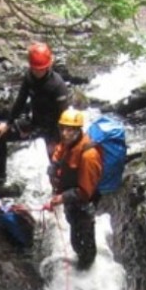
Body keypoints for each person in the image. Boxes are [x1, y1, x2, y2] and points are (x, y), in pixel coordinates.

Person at [0, 42, 71, 182]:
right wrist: (9, 124)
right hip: (34, 123)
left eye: (41, 69)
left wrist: (59, 141)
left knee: (55, 167)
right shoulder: (29, 77)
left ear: (48, 66)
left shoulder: (57, 85)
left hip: (53, 129)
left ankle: (58, 192)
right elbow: (20, 101)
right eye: (35, 69)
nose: (37, 73)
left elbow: (65, 116)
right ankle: (0, 173)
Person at [48, 107, 103, 270]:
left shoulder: (89, 155)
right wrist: (54, 166)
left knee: (84, 242)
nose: (65, 133)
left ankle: (87, 268)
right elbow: (58, 154)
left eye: (70, 130)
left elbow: (85, 192)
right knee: (74, 234)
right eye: (63, 129)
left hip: (84, 203)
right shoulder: (67, 143)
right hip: (71, 201)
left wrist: (62, 198)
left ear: (78, 130)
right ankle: (82, 261)